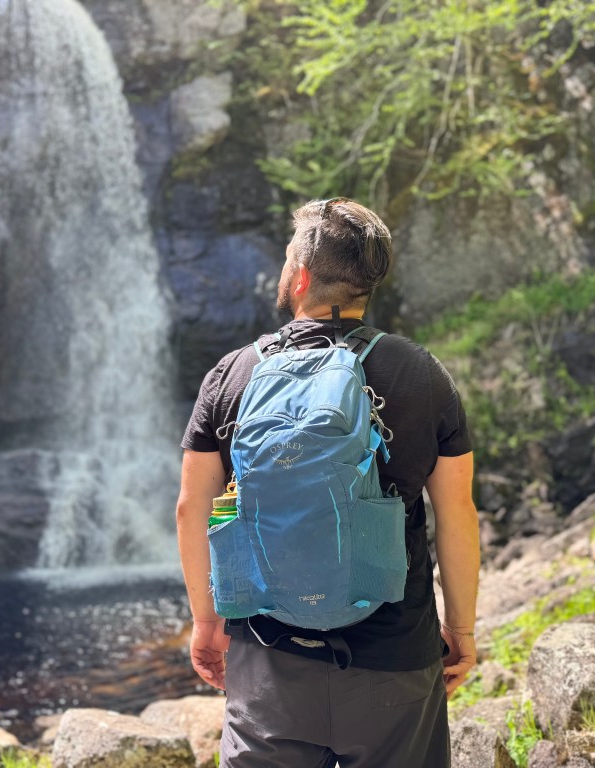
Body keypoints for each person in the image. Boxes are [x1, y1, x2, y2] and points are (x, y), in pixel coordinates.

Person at [176, 197, 480, 767]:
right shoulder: (421, 374)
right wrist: (459, 627)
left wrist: (207, 621)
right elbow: (456, 513)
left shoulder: (233, 373)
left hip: (268, 660)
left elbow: (193, 506)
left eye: (289, 255)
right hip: (393, 659)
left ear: (303, 276)